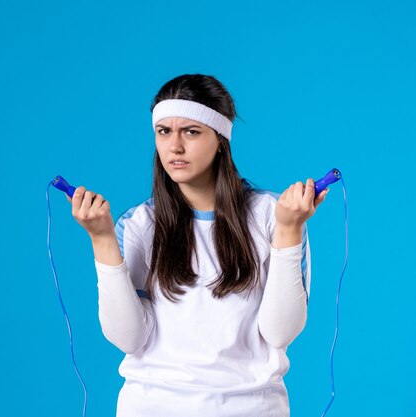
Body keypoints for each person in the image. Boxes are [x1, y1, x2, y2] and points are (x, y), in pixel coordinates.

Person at [65, 74, 328, 417]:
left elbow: (279, 333)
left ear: (220, 139)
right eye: (164, 131)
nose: (174, 146)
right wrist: (101, 239)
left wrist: (290, 230)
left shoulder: (273, 216)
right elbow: (128, 339)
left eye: (191, 131)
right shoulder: (138, 225)